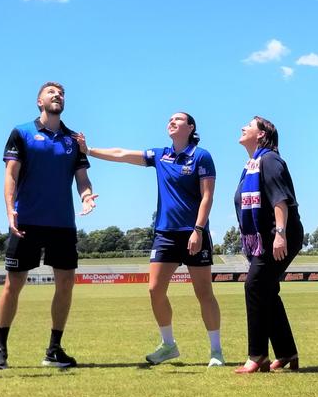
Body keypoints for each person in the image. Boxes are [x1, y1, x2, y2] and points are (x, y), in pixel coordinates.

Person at [75, 112, 224, 367]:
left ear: (190, 127)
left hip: (193, 233)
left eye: (178, 119)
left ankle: (216, 351)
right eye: (169, 119)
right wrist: (89, 150)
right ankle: (168, 345)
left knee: (204, 293)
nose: (172, 121)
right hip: (165, 234)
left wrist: (198, 230)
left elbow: (207, 196)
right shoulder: (160, 155)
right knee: (155, 290)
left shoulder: (201, 156)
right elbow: (122, 154)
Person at [0, 82, 97, 370]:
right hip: (27, 221)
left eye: (61, 93)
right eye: (51, 93)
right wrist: (10, 210)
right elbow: (11, 175)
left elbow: (82, 179)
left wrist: (86, 197)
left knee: (66, 284)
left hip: (62, 224)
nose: (57, 96)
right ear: (39, 101)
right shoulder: (21, 132)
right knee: (14, 284)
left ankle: (54, 350)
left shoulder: (74, 139)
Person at [234, 116, 303, 374]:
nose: (243, 128)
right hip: (264, 238)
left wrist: (280, 233)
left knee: (254, 285)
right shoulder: (251, 165)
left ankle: (258, 355)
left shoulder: (270, 160)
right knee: (266, 290)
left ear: (261, 135)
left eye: (248, 126)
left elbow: (280, 200)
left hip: (279, 234)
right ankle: (287, 353)